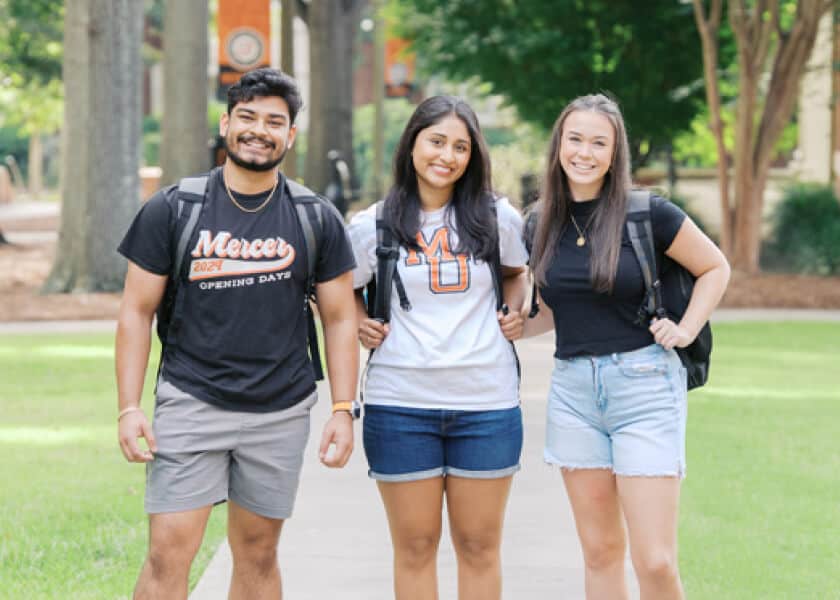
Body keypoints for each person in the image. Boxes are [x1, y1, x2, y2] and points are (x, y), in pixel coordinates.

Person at [115, 68, 359, 600]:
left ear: (291, 135)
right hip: (191, 399)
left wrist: (343, 409)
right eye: (247, 117)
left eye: (275, 121)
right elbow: (135, 311)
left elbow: (340, 318)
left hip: (280, 408)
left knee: (258, 552)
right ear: (226, 123)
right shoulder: (174, 208)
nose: (259, 130)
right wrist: (129, 406)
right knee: (167, 553)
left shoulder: (315, 217)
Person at [521, 94, 730, 599]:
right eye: (575, 139)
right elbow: (556, 308)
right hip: (573, 393)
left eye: (599, 142)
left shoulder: (647, 213)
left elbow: (715, 268)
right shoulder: (538, 221)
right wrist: (517, 327)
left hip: (645, 387)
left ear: (615, 154)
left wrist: (684, 328)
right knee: (599, 553)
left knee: (654, 562)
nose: (584, 152)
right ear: (558, 145)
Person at [348, 95, 529, 600]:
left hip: (486, 404)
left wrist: (514, 309)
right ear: (412, 145)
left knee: (478, 547)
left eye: (460, 147)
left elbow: (517, 273)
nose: (446, 156)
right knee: (414, 547)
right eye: (436, 141)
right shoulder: (374, 225)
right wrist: (362, 321)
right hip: (400, 404)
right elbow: (337, 293)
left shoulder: (497, 218)